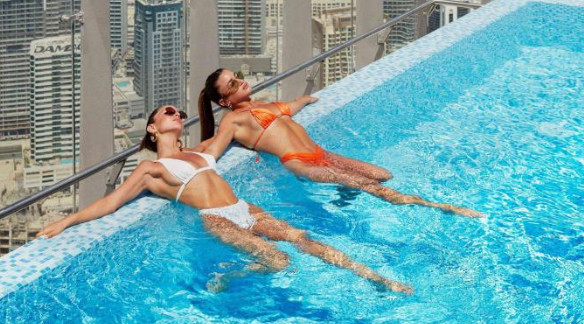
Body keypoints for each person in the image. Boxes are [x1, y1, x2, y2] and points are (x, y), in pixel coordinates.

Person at [37, 105, 411, 294]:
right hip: (218, 217)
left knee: (306, 241)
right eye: (167, 112)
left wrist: (273, 114)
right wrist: (66, 221)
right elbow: (112, 204)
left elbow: (236, 126)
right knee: (278, 262)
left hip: (245, 207)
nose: (175, 114)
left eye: (178, 112)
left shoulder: (200, 153)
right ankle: (228, 277)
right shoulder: (152, 169)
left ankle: (375, 280)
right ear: (152, 128)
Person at [199, 68, 484, 218]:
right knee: (370, 186)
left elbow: (287, 109)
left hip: (323, 155)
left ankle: (343, 194)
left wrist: (305, 100)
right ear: (225, 101)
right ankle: (442, 208)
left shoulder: (262, 104)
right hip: (301, 165)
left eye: (237, 76)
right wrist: (184, 155)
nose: (240, 82)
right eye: (232, 85)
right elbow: (213, 148)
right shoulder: (232, 121)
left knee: (382, 174)